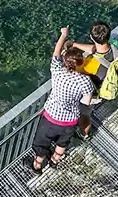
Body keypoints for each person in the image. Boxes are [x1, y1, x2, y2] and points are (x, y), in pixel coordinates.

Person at [29, 27, 95, 174]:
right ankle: (54, 161)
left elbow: (56, 53)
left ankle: (37, 165)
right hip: (70, 121)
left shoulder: (57, 71)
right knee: (62, 143)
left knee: (42, 143)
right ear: (80, 63)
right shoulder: (85, 81)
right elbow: (86, 103)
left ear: (65, 62)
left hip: (51, 117)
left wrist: (63, 35)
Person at [71, 20, 118, 139]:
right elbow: (95, 49)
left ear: (91, 37)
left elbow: (74, 73)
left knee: (84, 115)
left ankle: (84, 134)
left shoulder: (92, 64)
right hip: (103, 87)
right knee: (86, 113)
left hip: (90, 95)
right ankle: (84, 133)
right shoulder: (115, 49)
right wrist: (75, 44)